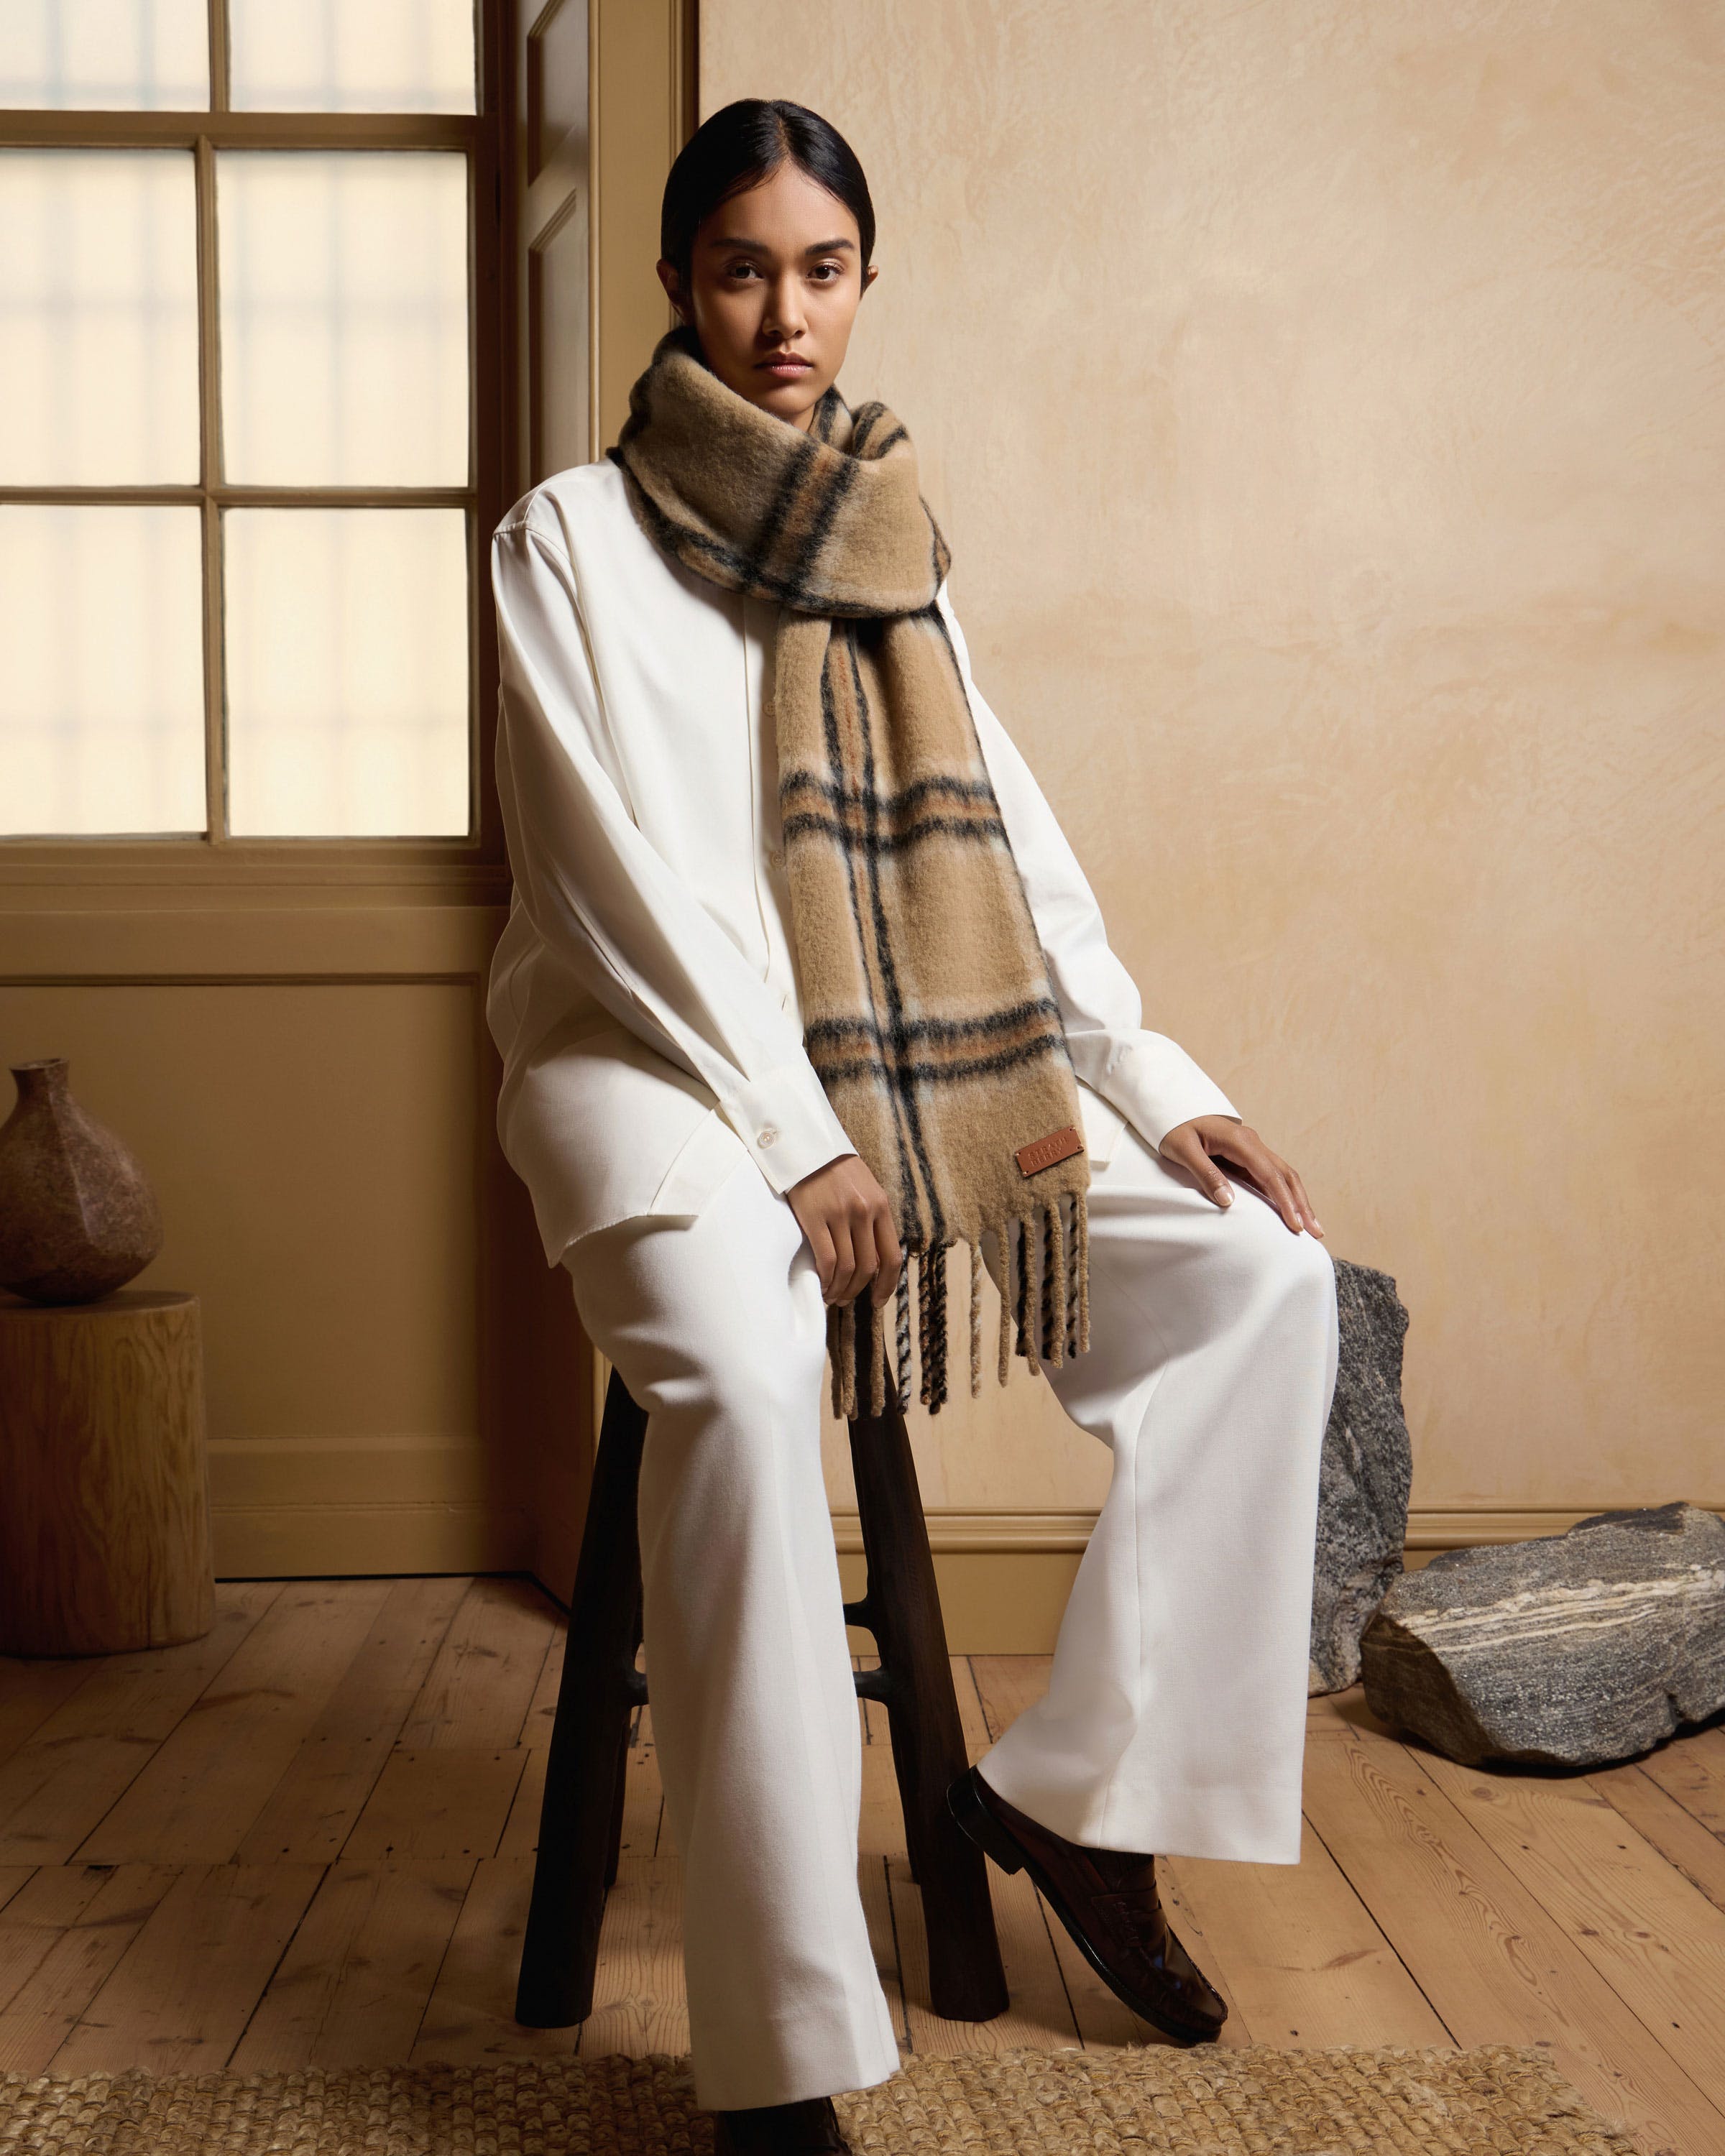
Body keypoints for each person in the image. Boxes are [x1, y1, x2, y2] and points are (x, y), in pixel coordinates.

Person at [487, 97, 1340, 2156]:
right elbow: (622, 887)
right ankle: (781, 2057)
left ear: (864, 281)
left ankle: (1078, 1800)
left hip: (904, 1067)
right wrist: (790, 1138)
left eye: (826, 268)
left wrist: (1165, 1085)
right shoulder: (570, 541)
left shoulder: (891, 539)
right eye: (743, 269)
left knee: (1262, 1276)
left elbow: (1014, 864)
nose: (787, 314)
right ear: (686, 280)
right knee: (753, 1372)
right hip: (656, 1079)